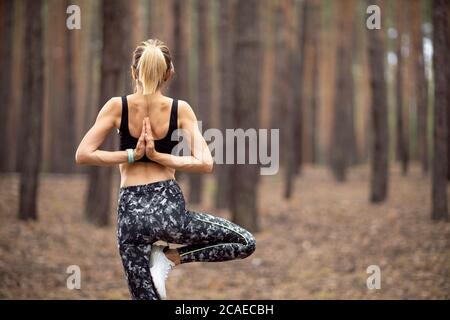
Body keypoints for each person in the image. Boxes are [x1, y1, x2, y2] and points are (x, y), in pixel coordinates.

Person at [75, 39, 256, 300]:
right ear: (169, 74)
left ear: (133, 72)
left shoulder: (117, 106)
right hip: (168, 213)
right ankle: (170, 259)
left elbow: (83, 154)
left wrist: (131, 155)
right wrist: (161, 157)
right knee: (244, 242)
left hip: (130, 217)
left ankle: (165, 260)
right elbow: (205, 162)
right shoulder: (179, 109)